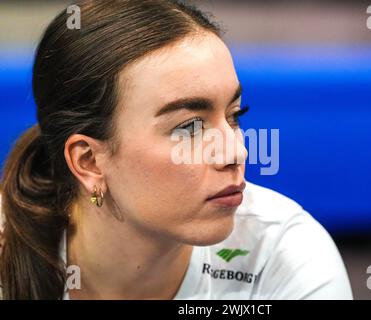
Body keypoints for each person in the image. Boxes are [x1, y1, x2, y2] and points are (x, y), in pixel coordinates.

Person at [0, 0, 353, 300]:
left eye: (234, 116)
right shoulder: (9, 261)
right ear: (89, 161)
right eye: (189, 127)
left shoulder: (284, 257)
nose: (235, 152)